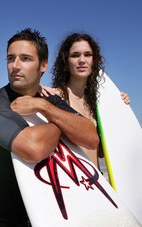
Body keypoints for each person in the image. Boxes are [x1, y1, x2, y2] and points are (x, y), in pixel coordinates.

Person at [0, 28, 99, 227]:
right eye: (10, 58)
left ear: (43, 65)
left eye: (25, 59)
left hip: (31, 214)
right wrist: (62, 126)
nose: (15, 66)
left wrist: (44, 107)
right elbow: (33, 148)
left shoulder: (48, 101)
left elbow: (90, 137)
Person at [39, 33, 130, 169]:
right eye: (75, 55)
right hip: (72, 182)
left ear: (94, 60)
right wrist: (35, 89)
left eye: (87, 55)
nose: (82, 60)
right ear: (66, 61)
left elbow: (102, 153)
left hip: (98, 182)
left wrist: (119, 108)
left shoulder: (98, 104)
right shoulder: (53, 96)